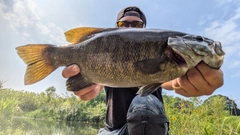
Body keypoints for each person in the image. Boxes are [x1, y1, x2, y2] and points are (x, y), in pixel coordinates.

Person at [62, 6, 224, 134]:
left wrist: (185, 82)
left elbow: (170, 82)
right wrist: (88, 85)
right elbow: (98, 84)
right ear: (116, 27)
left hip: (150, 127)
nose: (129, 26)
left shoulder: (169, 62)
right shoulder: (105, 53)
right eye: (123, 24)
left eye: (137, 24)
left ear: (144, 28)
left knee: (144, 102)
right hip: (113, 131)